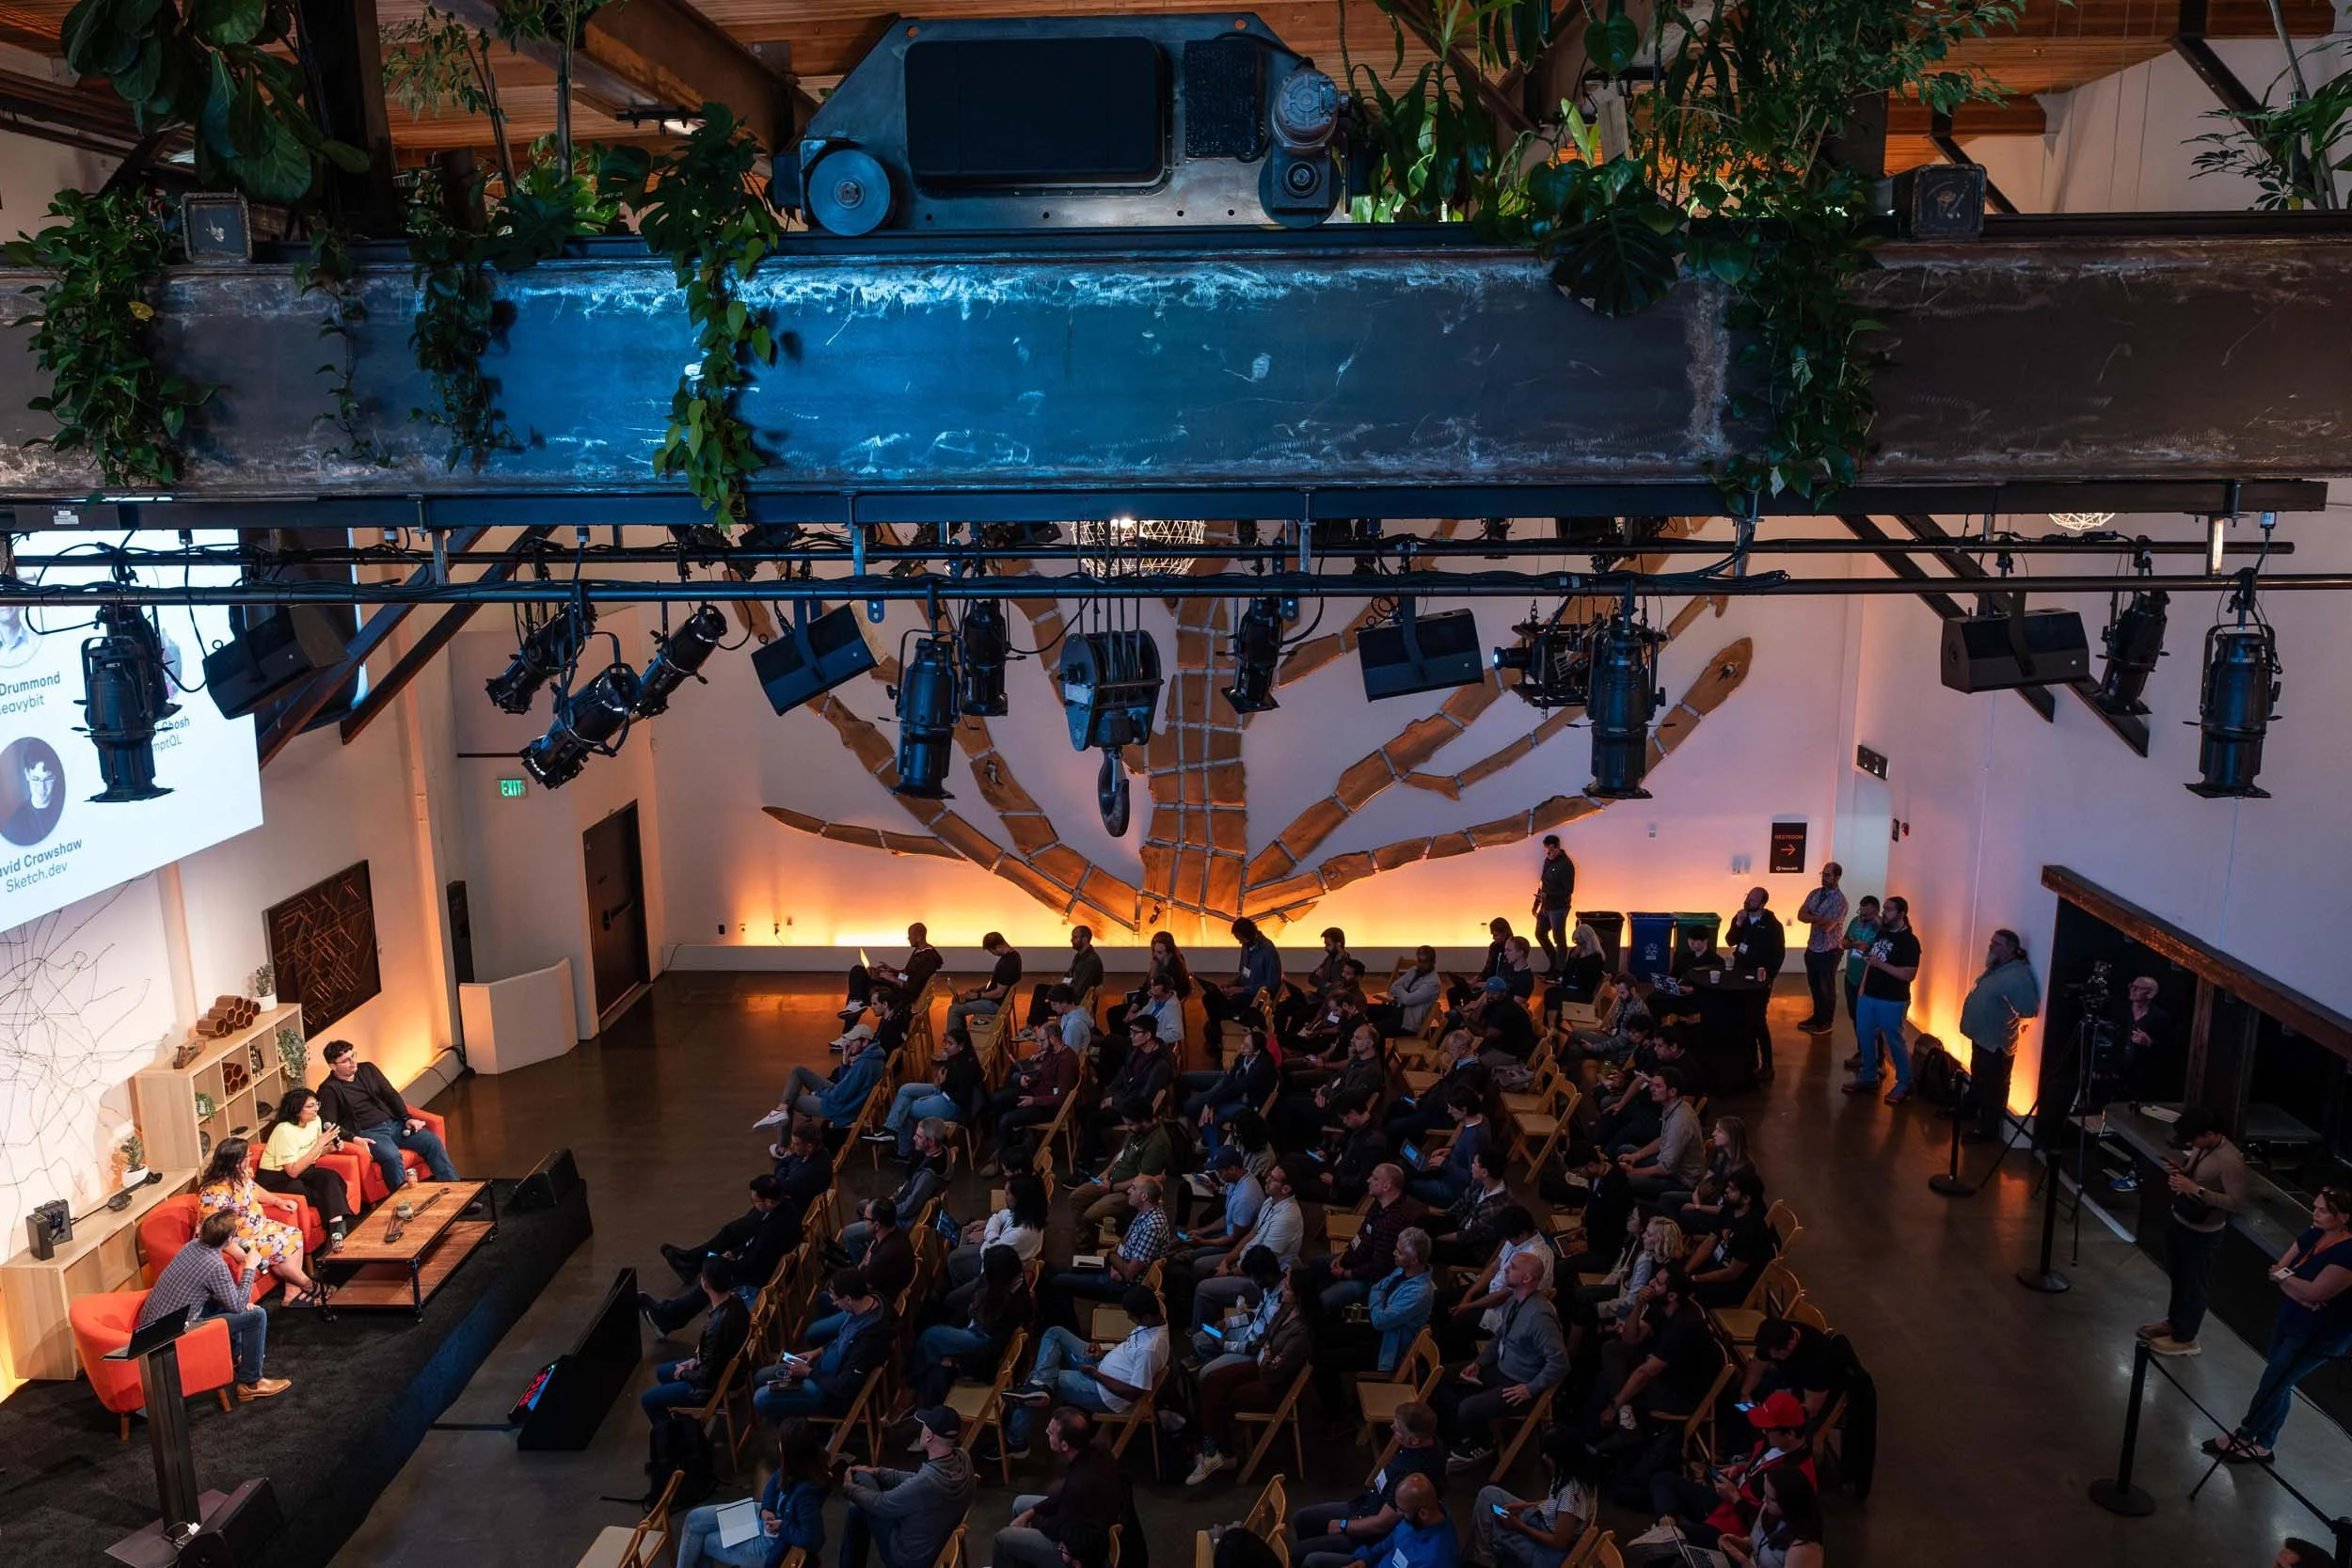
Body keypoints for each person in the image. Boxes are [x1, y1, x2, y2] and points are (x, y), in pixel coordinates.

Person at [2204, 1184, 2352, 1465]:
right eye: (2316, 1207)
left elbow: (2314, 1292)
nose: (2315, 1213)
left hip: (2318, 1334)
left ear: (2344, 1217)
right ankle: (2264, 1443)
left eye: (2324, 1211)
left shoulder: (2347, 1253)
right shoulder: (2314, 1233)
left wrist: (2292, 1283)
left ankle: (2245, 1435)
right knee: (2280, 1381)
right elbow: (2276, 1270)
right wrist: (2297, 1288)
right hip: (2291, 1317)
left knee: (2274, 1381)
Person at [135, 1209, 288, 1400]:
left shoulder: (191, 1246)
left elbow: (224, 1297)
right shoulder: (215, 1265)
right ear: (229, 1239)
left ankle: (236, 1355)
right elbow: (237, 1306)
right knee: (256, 1316)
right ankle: (251, 1382)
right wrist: (249, 1266)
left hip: (152, 1323)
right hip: (172, 1333)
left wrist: (238, 1301)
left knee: (225, 1303)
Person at [1437, 1251, 1566, 1470]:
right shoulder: (1514, 1301)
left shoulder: (1540, 1318)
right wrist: (1479, 1363)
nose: (1506, 1269)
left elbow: (1560, 1363)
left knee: (1468, 1407)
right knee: (1443, 1376)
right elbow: (1500, 1337)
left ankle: (1483, 1443)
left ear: (1527, 1278)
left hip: (1518, 1384)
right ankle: (1459, 1436)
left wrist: (1530, 1388)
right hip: (1501, 1368)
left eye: (1513, 1267)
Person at [1003, 1286, 1168, 1458]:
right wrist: (1103, 1350)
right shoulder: (1152, 1323)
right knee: (1055, 1333)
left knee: (1036, 1382)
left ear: (1146, 1317)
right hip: (1100, 1366)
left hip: (1103, 1393)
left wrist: (1096, 1375)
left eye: (1132, 1317)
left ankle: (1016, 1442)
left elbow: (1132, 1392)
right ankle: (1041, 1384)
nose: (1129, 1319)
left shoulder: (1150, 1350)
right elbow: (1129, 1348)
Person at [2140, 1107, 2251, 1357]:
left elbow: (2236, 1203)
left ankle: (2186, 1338)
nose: (2192, 1144)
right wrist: (2180, 1173)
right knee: (2179, 1278)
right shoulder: (2204, 1147)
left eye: (2194, 1139)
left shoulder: (2230, 1161)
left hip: (2203, 1233)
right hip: (2181, 1219)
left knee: (2193, 1285)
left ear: (2210, 1134)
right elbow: (2195, 1174)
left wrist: (2197, 1190)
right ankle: (2175, 1322)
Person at [1187, 1265, 1313, 1483]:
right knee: (1213, 1380)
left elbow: (1276, 1370)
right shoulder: (1285, 1308)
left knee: (1227, 1394)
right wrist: (1263, 1352)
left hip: (1276, 1382)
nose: (1283, 1290)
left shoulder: (1302, 1330)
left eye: (1288, 1288)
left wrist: (1265, 1355)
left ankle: (1221, 1452)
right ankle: (1215, 1450)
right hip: (1262, 1364)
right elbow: (1264, 1338)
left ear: (1300, 1295)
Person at [1291, 1402, 1445, 1568]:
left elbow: (1382, 1523)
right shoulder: (1427, 1441)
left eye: (1398, 1429)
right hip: (1363, 1505)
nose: (1392, 1427)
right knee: (1302, 1518)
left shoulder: (1412, 1477)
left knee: (1301, 1554)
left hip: (1366, 1535)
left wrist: (1343, 1525)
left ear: (1414, 1440)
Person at [645, 1174, 802, 1335]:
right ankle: (669, 1312)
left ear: (769, 1202)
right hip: (761, 1267)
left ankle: (667, 1317)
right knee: (715, 1265)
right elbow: (755, 1246)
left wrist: (729, 1264)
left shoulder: (773, 1228)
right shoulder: (786, 1209)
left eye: (755, 1201)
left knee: (713, 1278)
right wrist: (734, 1254)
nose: (754, 1204)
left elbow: (755, 1264)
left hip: (760, 1279)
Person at [676, 1418, 830, 1568]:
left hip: (771, 1545)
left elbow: (813, 1540)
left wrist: (782, 1526)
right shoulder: (795, 1467)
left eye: (782, 1442)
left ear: (791, 1451)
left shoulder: (806, 1496)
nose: (779, 1444)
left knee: (704, 1541)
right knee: (694, 1519)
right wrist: (767, 1508)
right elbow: (772, 1485)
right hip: (764, 1518)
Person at [992, 1407, 1131, 1568]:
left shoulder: (1080, 1483)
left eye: (1050, 1433)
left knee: (1003, 1539)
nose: (1046, 1432)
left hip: (1081, 1554)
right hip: (1081, 1528)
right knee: (1020, 1504)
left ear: (1064, 1445)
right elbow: (1061, 1498)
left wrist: (1035, 1519)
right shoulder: (1097, 1451)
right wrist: (1032, 1512)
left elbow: (1061, 1527)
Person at [313, 1038, 459, 1192]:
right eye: (345, 1060)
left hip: (393, 1123)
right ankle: (404, 1201)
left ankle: (454, 1190)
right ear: (332, 1066)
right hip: (369, 1133)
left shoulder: (368, 1069)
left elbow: (390, 1094)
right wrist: (353, 1138)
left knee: (432, 1141)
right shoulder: (328, 1090)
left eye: (353, 1056)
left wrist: (407, 1118)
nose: (353, 1062)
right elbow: (329, 1123)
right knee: (392, 1157)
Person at [840, 1407, 977, 1568]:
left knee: (860, 1480)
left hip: (907, 1559)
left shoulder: (925, 1483)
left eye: (923, 1426)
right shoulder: (963, 1459)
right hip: (936, 1538)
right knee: (856, 1508)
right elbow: (915, 1480)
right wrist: (879, 1472)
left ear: (929, 1436)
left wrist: (849, 1487)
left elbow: (881, 1504)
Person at [753, 1268, 894, 1422]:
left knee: (760, 1398)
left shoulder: (868, 1341)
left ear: (848, 1299)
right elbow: (843, 1339)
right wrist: (818, 1351)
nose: (834, 1304)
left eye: (836, 1300)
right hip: (819, 1368)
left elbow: (843, 1388)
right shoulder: (868, 1304)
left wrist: (808, 1372)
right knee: (761, 1377)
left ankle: (792, 1429)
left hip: (827, 1392)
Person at [198, 1137, 326, 1305]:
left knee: (294, 1234)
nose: (250, 1158)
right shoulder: (213, 1193)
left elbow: (254, 1188)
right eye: (248, 1155)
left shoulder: (241, 1175)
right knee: (281, 1248)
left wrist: (277, 1201)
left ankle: (292, 1292)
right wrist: (240, 1254)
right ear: (236, 1162)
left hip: (261, 1228)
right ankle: (311, 1286)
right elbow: (214, 1231)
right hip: (241, 1239)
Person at [904, 1243, 1032, 1408]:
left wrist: (956, 1362)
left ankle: (910, 1392)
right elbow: (962, 1299)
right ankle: (921, 1405)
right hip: (973, 1329)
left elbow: (993, 1350)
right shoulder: (1002, 1280)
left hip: (981, 1345)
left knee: (930, 1339)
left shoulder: (1015, 1303)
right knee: (935, 1366)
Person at [1043, 1178, 1171, 1326]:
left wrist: (1111, 1257)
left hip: (1124, 1285)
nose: (1129, 1190)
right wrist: (1116, 1258)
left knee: (1059, 1283)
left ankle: (1069, 1329)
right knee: (1057, 1269)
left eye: (1134, 1188)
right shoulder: (1147, 1212)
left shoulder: (1152, 1228)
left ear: (1144, 1196)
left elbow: (1129, 1273)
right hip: (1117, 1268)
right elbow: (1125, 1239)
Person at [1954, 928, 2041, 1142]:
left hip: (1996, 1044)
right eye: (1992, 942)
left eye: (1997, 944)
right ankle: (1970, 1113)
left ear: (2010, 950)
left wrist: (2018, 1022)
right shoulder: (1998, 968)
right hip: (1983, 1038)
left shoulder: (2016, 976)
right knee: (1979, 1080)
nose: (1991, 946)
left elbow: (2028, 1010)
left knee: (1993, 1089)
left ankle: (1988, 1131)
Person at [1300, 1162, 1418, 1316]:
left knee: (1324, 1301)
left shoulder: (1393, 1222)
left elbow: (1378, 1268)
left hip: (1370, 1280)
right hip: (1357, 1259)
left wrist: (1345, 1273)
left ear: (1387, 1186)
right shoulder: (1378, 1203)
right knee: (1316, 1265)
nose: (1368, 1180)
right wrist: (1344, 1254)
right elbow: (1361, 1233)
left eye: (1375, 1178)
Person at [1472, 1430, 1601, 1568]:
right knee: (1488, 1495)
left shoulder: (1572, 1495)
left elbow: (1559, 1543)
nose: (1545, 1458)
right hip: (1540, 1519)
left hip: (1546, 1550)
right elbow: (1555, 1505)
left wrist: (1519, 1526)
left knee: (1494, 1526)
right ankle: (1485, 1559)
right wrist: (1524, 1506)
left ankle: (1485, 1561)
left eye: (1549, 1456)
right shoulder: (1571, 1474)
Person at [644, 1257, 752, 1419]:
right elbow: (712, 1356)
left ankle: (674, 1432)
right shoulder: (737, 1301)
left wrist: (683, 1373)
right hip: (729, 1372)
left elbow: (705, 1378)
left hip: (716, 1387)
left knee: (648, 1400)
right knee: (662, 1371)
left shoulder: (716, 1327)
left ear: (705, 1284)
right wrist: (695, 1359)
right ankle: (680, 1420)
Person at [980, 1010, 1081, 1176]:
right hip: (1038, 1093)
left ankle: (1005, 1161)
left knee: (1006, 1119)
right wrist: (1031, 1080)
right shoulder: (1052, 1053)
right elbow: (1046, 1077)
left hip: (1048, 1106)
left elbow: (1059, 1098)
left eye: (1041, 1040)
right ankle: (1006, 1144)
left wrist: (1033, 1101)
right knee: (997, 1099)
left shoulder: (1066, 1061)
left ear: (1053, 1039)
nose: (1038, 1044)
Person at [1842, 895, 1919, 1104]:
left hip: (1892, 1000)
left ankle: (1904, 1082)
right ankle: (1869, 1076)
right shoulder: (1882, 934)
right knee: (1865, 1036)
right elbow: (1870, 962)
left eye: (1889, 910)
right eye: (1884, 909)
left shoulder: (1909, 942)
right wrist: (1863, 987)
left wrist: (1880, 965)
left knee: (1894, 1041)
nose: (1884, 913)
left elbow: (1908, 974)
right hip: (1868, 996)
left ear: (1901, 914)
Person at [256, 1087, 353, 1251]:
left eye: (317, 1104)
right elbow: (292, 1171)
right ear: (297, 1110)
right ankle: (336, 1234)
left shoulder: (315, 1121)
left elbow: (310, 1155)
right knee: (316, 1190)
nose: (316, 1109)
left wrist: (328, 1149)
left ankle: (336, 1233)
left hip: (303, 1169)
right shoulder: (284, 1131)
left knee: (331, 1177)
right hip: (276, 1178)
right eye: (310, 1106)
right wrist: (319, 1144)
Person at [873, 1028, 985, 1160]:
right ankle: (890, 1130)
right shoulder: (956, 1058)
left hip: (951, 1104)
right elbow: (946, 1079)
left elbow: (961, 1096)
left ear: (961, 1046)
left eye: (950, 1043)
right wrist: (939, 1079)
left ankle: (904, 1152)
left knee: (905, 1108)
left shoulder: (966, 1066)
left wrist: (943, 1083)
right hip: (941, 1091)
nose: (946, 1046)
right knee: (905, 1089)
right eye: (946, 1042)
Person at [1686, 1170, 1776, 1308]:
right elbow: (1710, 1241)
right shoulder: (1729, 1208)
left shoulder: (1751, 1229)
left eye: (1732, 1189)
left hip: (1735, 1284)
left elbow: (1732, 1273)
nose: (1726, 1190)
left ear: (1746, 1199)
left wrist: (1695, 1279)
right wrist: (1686, 1272)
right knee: (1680, 1270)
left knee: (1690, 1296)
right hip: (1718, 1263)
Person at [949, 1173, 1050, 1294]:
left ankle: (970, 1299)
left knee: (951, 1299)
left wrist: (989, 1237)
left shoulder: (1020, 1233)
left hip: (997, 1276)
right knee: (954, 1258)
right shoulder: (1026, 1212)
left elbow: (990, 1253)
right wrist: (992, 1236)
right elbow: (1000, 1215)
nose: (1004, 1196)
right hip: (997, 1255)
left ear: (1019, 1199)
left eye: (1007, 1193)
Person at [1724, 888, 1786, 1080]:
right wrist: (1738, 923)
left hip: (1759, 979)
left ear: (1762, 903)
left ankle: (1767, 1065)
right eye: (1747, 897)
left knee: (1758, 1020)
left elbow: (1778, 954)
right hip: (1740, 974)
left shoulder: (1773, 925)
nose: (1748, 901)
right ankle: (1748, 1060)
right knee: (1741, 1016)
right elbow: (1730, 940)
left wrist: (1769, 977)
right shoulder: (1740, 918)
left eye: (1752, 899)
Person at [1200, 917, 1283, 1060]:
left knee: (1214, 1004)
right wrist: (1230, 984)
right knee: (1210, 997)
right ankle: (1217, 1030)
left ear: (1248, 935)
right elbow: (1243, 974)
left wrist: (1241, 990)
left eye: (1240, 938)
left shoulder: (1268, 951)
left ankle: (1217, 1032)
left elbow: (1272, 983)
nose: (1239, 942)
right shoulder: (1246, 947)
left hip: (1253, 998)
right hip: (1242, 992)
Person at [1617, 1067, 1706, 1199]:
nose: (1652, 1089)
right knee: (1625, 1150)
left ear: (1672, 1092)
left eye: (1658, 1086)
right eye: (1652, 1085)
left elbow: (1665, 1169)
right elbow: (1663, 1139)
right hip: (1669, 1167)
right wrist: (1635, 1156)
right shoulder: (1672, 1106)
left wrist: (1633, 1171)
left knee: (1625, 1179)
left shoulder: (1680, 1121)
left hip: (1681, 1181)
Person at [778, 1026, 891, 1130]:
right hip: (843, 1098)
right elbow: (846, 1083)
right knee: (799, 1071)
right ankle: (781, 1109)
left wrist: (818, 1093)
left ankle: (782, 1141)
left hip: (839, 1107)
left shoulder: (864, 1064)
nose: (849, 1044)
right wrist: (845, 1063)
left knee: (790, 1100)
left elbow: (839, 1095)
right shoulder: (873, 1057)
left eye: (853, 1041)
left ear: (865, 1042)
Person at [1342, 1473, 1456, 1568]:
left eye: (1403, 1510)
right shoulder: (1414, 1520)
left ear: (1423, 1513)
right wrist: (1365, 1559)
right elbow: (1389, 1541)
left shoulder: (1436, 1558)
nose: (1398, 1513)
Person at [1718, 1467, 1825, 1568]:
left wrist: (1743, 1561)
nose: (1764, 1501)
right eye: (1766, 1494)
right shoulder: (1769, 1510)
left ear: (1790, 1503)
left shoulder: (1804, 1549)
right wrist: (1739, 1543)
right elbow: (1758, 1544)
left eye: (1772, 1499)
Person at [1740, 1319, 1842, 1421]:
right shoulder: (1774, 1336)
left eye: (1778, 1354)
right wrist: (1745, 1393)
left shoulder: (1818, 1359)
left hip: (1818, 1394)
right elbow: (1756, 1369)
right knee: (1740, 1406)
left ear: (1791, 1344)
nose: (1773, 1357)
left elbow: (1811, 1409)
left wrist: (1772, 1416)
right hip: (1788, 1378)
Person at [843, 923, 944, 1023]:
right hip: (898, 988)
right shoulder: (920, 951)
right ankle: (855, 1004)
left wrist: (893, 979)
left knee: (859, 987)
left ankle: (854, 1009)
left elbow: (913, 988)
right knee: (859, 972)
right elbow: (908, 977)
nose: (908, 938)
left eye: (910, 935)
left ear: (919, 937)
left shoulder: (927, 959)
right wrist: (893, 971)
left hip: (900, 994)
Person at [1406, 1087, 1490, 1207]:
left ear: (1464, 1110)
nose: (1449, 1111)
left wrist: (1445, 1164)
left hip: (1453, 1188)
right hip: (1448, 1173)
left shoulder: (1474, 1139)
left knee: (1407, 1184)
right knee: (1412, 1170)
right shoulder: (1480, 1119)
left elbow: (1473, 1178)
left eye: (1452, 1108)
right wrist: (1450, 1149)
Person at [1794, 863, 1848, 1036]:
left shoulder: (1840, 901)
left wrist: (1811, 917)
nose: (1824, 878)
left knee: (1827, 988)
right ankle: (1817, 1017)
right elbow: (1800, 915)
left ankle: (1826, 1022)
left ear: (1837, 877)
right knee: (1815, 986)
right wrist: (1819, 918)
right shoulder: (1815, 893)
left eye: (1828, 875)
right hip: (1813, 947)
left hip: (1830, 950)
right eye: (1823, 874)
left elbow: (1828, 926)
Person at [1107, 930, 1192, 1038]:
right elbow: (1145, 988)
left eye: (1159, 953)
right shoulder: (1158, 964)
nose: (1155, 956)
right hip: (1148, 1003)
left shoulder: (1175, 972)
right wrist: (1132, 1009)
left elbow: (1157, 999)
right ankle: (1120, 1042)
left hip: (1156, 1009)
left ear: (1169, 954)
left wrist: (1135, 1013)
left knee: (1120, 1019)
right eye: (1154, 952)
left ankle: (1126, 1043)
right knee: (1113, 1012)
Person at [946, 932, 1022, 1040]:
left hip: (995, 1004)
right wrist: (979, 989)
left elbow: (999, 992)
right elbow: (997, 983)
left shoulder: (1007, 964)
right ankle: (960, 1037)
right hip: (995, 1000)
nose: (992, 954)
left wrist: (978, 995)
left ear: (998, 947)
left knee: (954, 1009)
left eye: (991, 951)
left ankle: (954, 1041)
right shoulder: (1014, 956)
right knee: (958, 999)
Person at [1026, 926, 1106, 1028]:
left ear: (1085, 939)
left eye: (1075, 937)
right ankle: (1034, 1027)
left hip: (1074, 1001)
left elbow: (1079, 991)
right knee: (1040, 988)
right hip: (1070, 991)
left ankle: (1038, 1029)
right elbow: (1069, 975)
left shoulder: (1091, 962)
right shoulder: (1080, 956)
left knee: (1041, 1007)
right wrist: (1060, 988)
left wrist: (1059, 994)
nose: (1071, 940)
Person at [1371, 948, 1444, 1038]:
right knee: (1366, 1010)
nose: (1421, 965)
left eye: (1425, 962)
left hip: (1407, 1023)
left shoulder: (1433, 983)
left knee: (1373, 1031)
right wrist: (1404, 994)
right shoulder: (1414, 970)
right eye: (1419, 961)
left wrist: (1400, 991)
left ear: (1433, 962)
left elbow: (1408, 1000)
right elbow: (1393, 987)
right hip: (1397, 1009)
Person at [1532, 834, 1576, 975]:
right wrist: (1537, 903)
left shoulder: (1566, 865)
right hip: (1546, 906)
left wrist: (1549, 895)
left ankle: (1560, 969)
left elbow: (1568, 890)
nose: (1548, 853)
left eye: (1551, 850)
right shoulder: (1548, 861)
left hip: (1558, 907)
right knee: (1540, 933)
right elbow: (1542, 882)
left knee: (1559, 938)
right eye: (1546, 850)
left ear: (1558, 848)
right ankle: (1554, 964)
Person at [1838, 895, 1880, 1037]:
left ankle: (1873, 1047)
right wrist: (1852, 944)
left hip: (1869, 979)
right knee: (1855, 1015)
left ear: (1876, 912)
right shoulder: (1855, 921)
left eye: (1867, 914)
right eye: (1861, 912)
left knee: (1869, 1018)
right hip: (1851, 976)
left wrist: (1867, 948)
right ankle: (1861, 1046)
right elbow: (1843, 943)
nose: (1863, 916)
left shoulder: (1881, 928)